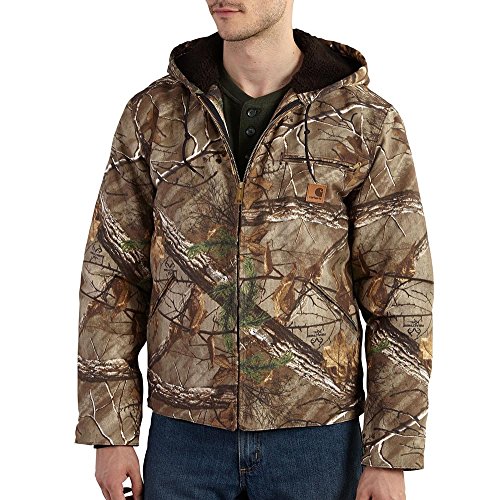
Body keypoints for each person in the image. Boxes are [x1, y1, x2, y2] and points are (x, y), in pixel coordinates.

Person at [75, 1, 434, 499]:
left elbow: (400, 291)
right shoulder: (155, 115)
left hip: (317, 442)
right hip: (184, 437)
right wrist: (110, 431)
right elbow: (112, 274)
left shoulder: (364, 123)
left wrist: (389, 454)